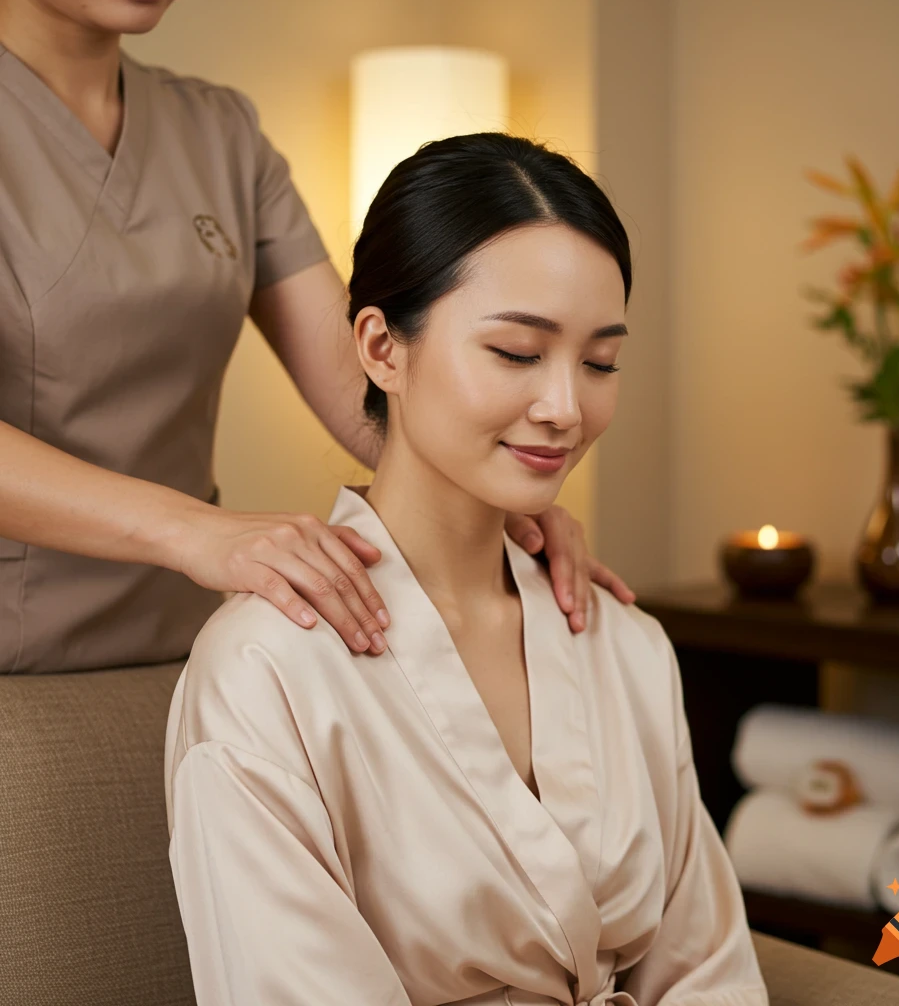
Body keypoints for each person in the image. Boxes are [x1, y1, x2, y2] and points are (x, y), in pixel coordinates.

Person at [165, 133, 769, 1006]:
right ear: (381, 349)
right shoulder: (266, 670)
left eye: (601, 362)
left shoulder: (622, 644)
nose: (566, 407)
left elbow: (710, 972)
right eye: (518, 353)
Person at [0, 0, 633, 675]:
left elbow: (365, 374)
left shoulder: (218, 132)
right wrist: (191, 530)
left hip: (185, 640)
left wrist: (498, 494)